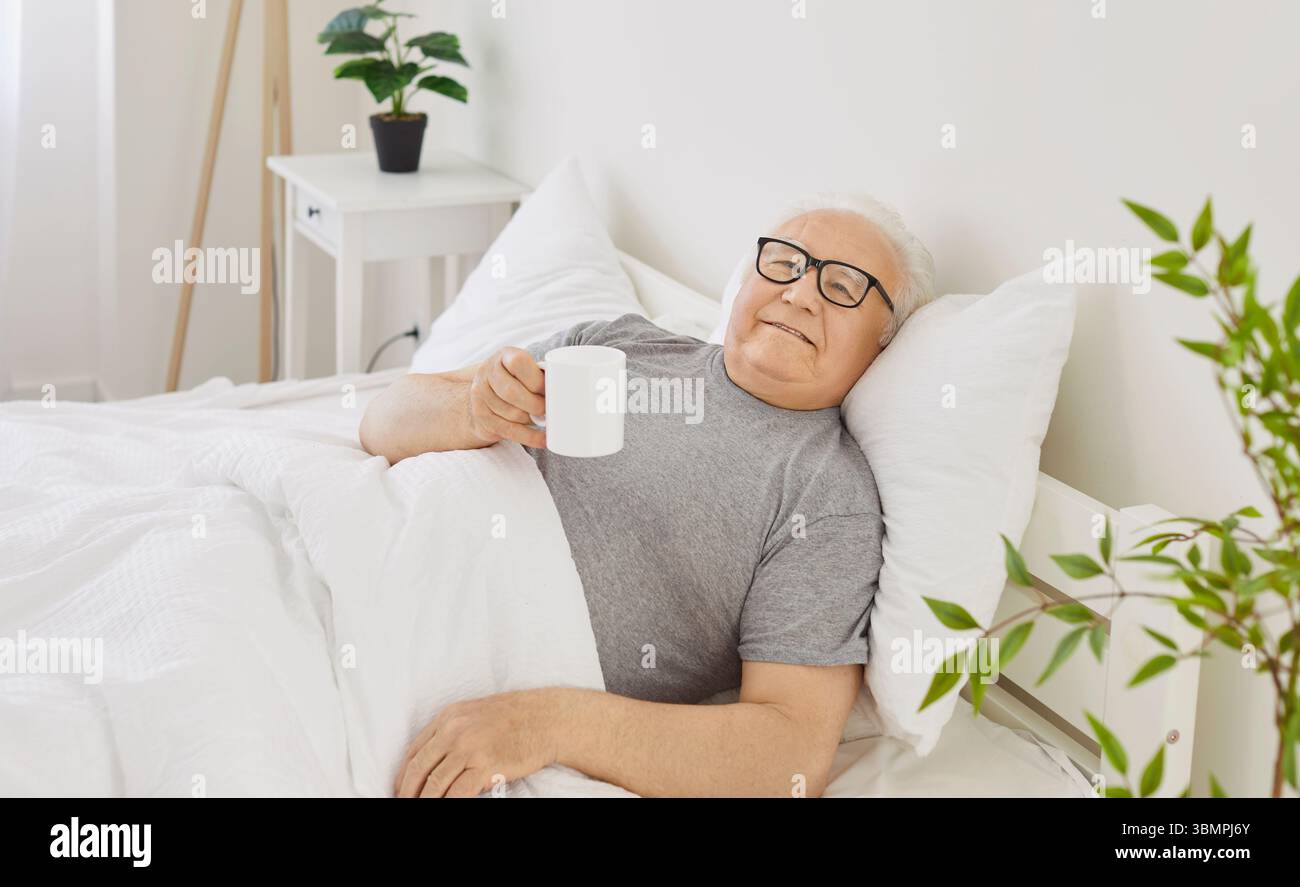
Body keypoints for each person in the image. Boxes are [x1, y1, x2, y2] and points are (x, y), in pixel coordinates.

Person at [361, 195, 935, 797]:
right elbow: (382, 420)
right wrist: (473, 409)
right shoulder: (618, 344)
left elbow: (789, 756)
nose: (800, 293)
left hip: (426, 650)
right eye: (786, 262)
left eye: (843, 286)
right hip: (373, 547)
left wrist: (546, 723)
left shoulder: (826, 497)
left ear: (882, 344)